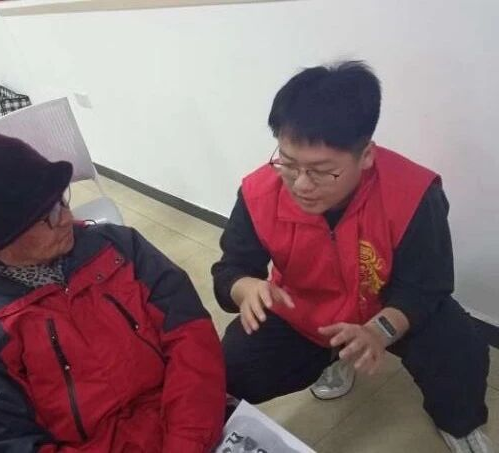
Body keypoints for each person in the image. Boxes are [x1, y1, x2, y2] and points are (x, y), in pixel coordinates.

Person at [211, 61, 493, 452]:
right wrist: (246, 288)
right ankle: (333, 358)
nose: (301, 184)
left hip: (386, 306)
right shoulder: (259, 192)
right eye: (288, 163)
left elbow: (425, 286)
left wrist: (378, 331)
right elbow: (231, 268)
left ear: (366, 156)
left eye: (322, 171)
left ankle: (458, 423)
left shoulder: (412, 193)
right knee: (228, 367)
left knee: (460, 349)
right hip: (302, 310)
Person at [0, 133, 226, 452]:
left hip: (190, 429)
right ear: (0, 240)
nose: (67, 218)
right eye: (48, 216)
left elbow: (191, 338)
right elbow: (4, 443)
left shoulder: (120, 247)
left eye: (61, 200)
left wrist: (185, 443)